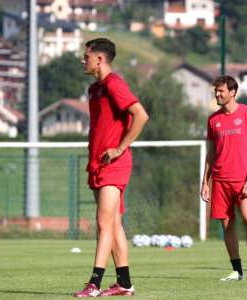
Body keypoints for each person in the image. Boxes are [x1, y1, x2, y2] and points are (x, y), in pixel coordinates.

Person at [74, 38, 149, 297]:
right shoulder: (94, 89)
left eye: (86, 56)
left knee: (103, 223)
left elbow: (141, 115)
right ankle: (124, 283)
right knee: (114, 224)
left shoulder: (114, 84)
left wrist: (119, 148)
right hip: (97, 164)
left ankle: (94, 282)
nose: (83, 60)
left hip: (114, 165)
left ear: (100, 59)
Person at [200, 75, 247, 283]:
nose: (217, 94)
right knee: (227, 226)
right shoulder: (213, 119)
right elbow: (211, 152)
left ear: (232, 92)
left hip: (243, 180)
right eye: (215, 91)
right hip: (220, 180)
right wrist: (205, 182)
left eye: (221, 91)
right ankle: (237, 270)